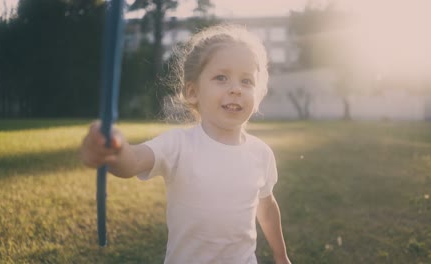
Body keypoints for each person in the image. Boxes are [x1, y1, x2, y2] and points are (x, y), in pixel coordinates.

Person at [80, 24, 291, 264]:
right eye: (221, 77)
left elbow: (266, 206)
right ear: (193, 92)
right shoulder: (178, 145)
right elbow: (134, 161)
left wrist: (280, 254)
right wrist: (114, 150)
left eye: (246, 81)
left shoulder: (261, 153)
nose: (235, 89)